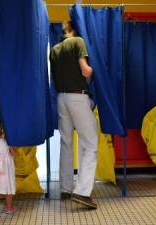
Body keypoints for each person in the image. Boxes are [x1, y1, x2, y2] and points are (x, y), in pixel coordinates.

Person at [49, 21, 98, 209]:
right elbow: (85, 70)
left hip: (61, 98)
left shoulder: (54, 49)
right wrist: (96, 71)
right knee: (91, 144)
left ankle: (66, 188)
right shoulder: (77, 41)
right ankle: (83, 192)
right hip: (78, 96)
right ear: (75, 30)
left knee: (66, 142)